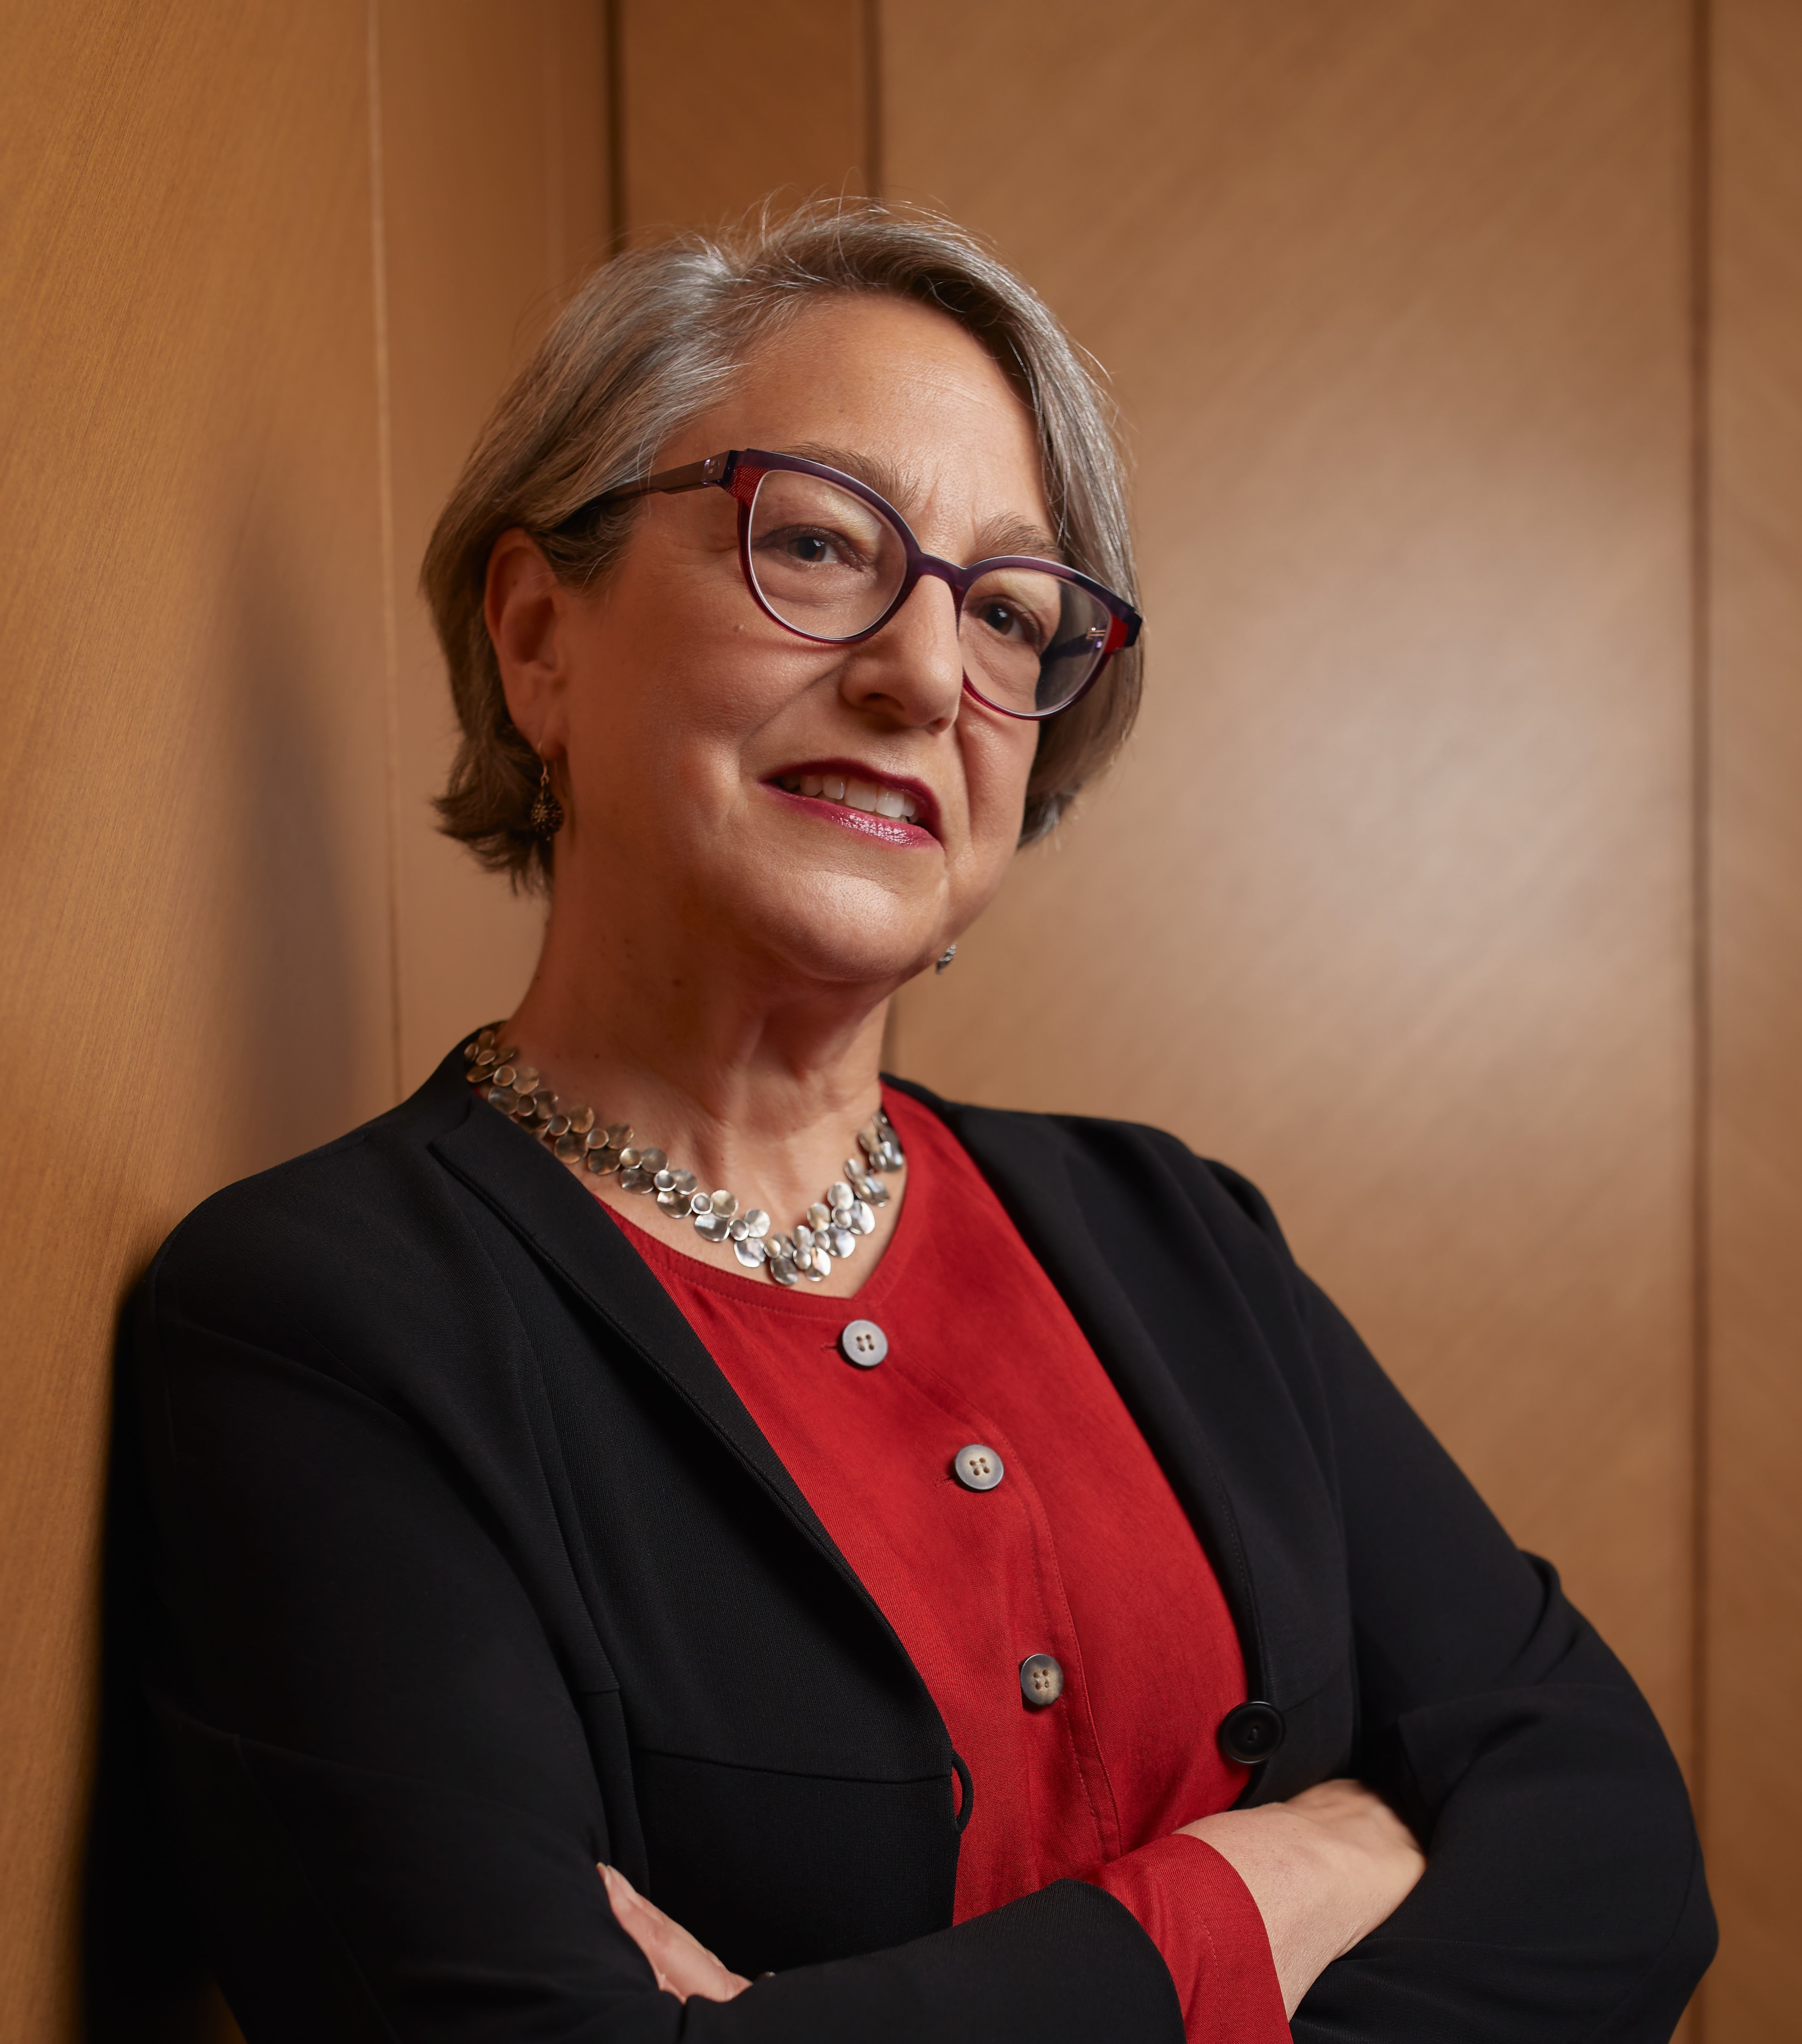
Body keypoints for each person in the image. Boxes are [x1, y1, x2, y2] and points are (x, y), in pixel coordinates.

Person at [110, 203, 1714, 2042]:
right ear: (539, 633)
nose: (924, 676)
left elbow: (1614, 1859)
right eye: (812, 541)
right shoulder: (318, 1323)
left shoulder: (1175, 1233)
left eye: (1013, 614)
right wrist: (1252, 1891)